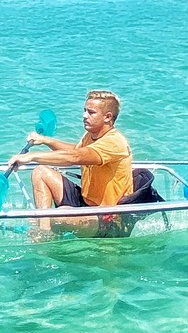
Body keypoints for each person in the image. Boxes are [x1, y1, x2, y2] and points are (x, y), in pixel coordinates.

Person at [8, 89, 133, 236]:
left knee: (53, 217)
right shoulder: (91, 135)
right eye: (84, 110)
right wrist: (45, 140)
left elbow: (76, 157)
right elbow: (76, 150)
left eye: (91, 112)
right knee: (40, 172)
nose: (84, 116)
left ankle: (43, 227)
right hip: (85, 202)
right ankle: (44, 230)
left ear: (107, 117)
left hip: (108, 217)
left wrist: (31, 157)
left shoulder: (114, 142)